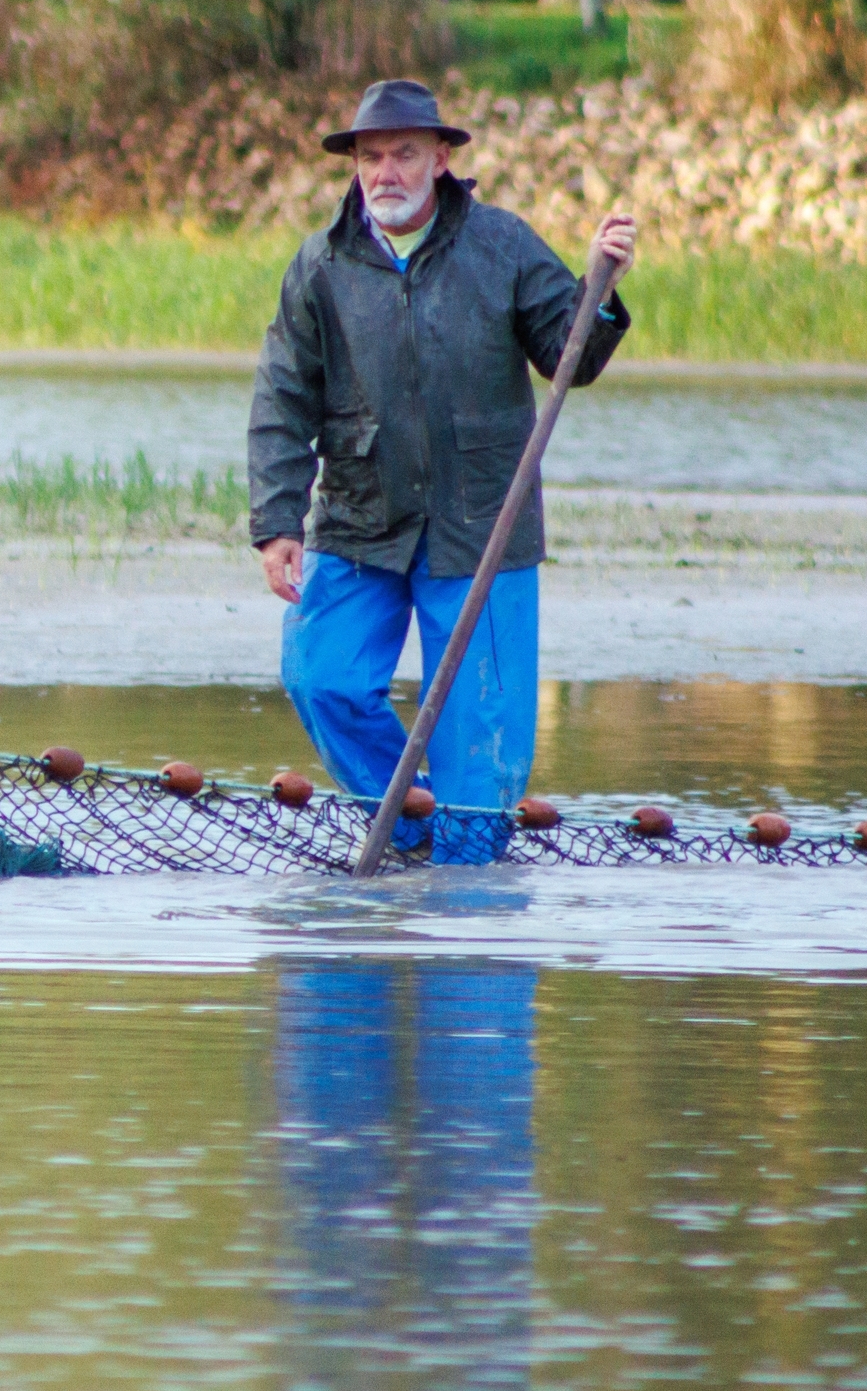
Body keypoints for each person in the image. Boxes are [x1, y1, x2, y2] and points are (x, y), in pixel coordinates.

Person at [250, 79, 636, 863]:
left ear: (442, 159)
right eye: (370, 157)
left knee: (477, 740)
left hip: (482, 524)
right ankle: (410, 822)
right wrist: (276, 524)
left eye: (403, 154)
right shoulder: (320, 264)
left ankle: (467, 899)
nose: (385, 172)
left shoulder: (502, 244)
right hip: (360, 520)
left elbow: (573, 360)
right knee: (320, 676)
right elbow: (282, 398)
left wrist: (598, 287)